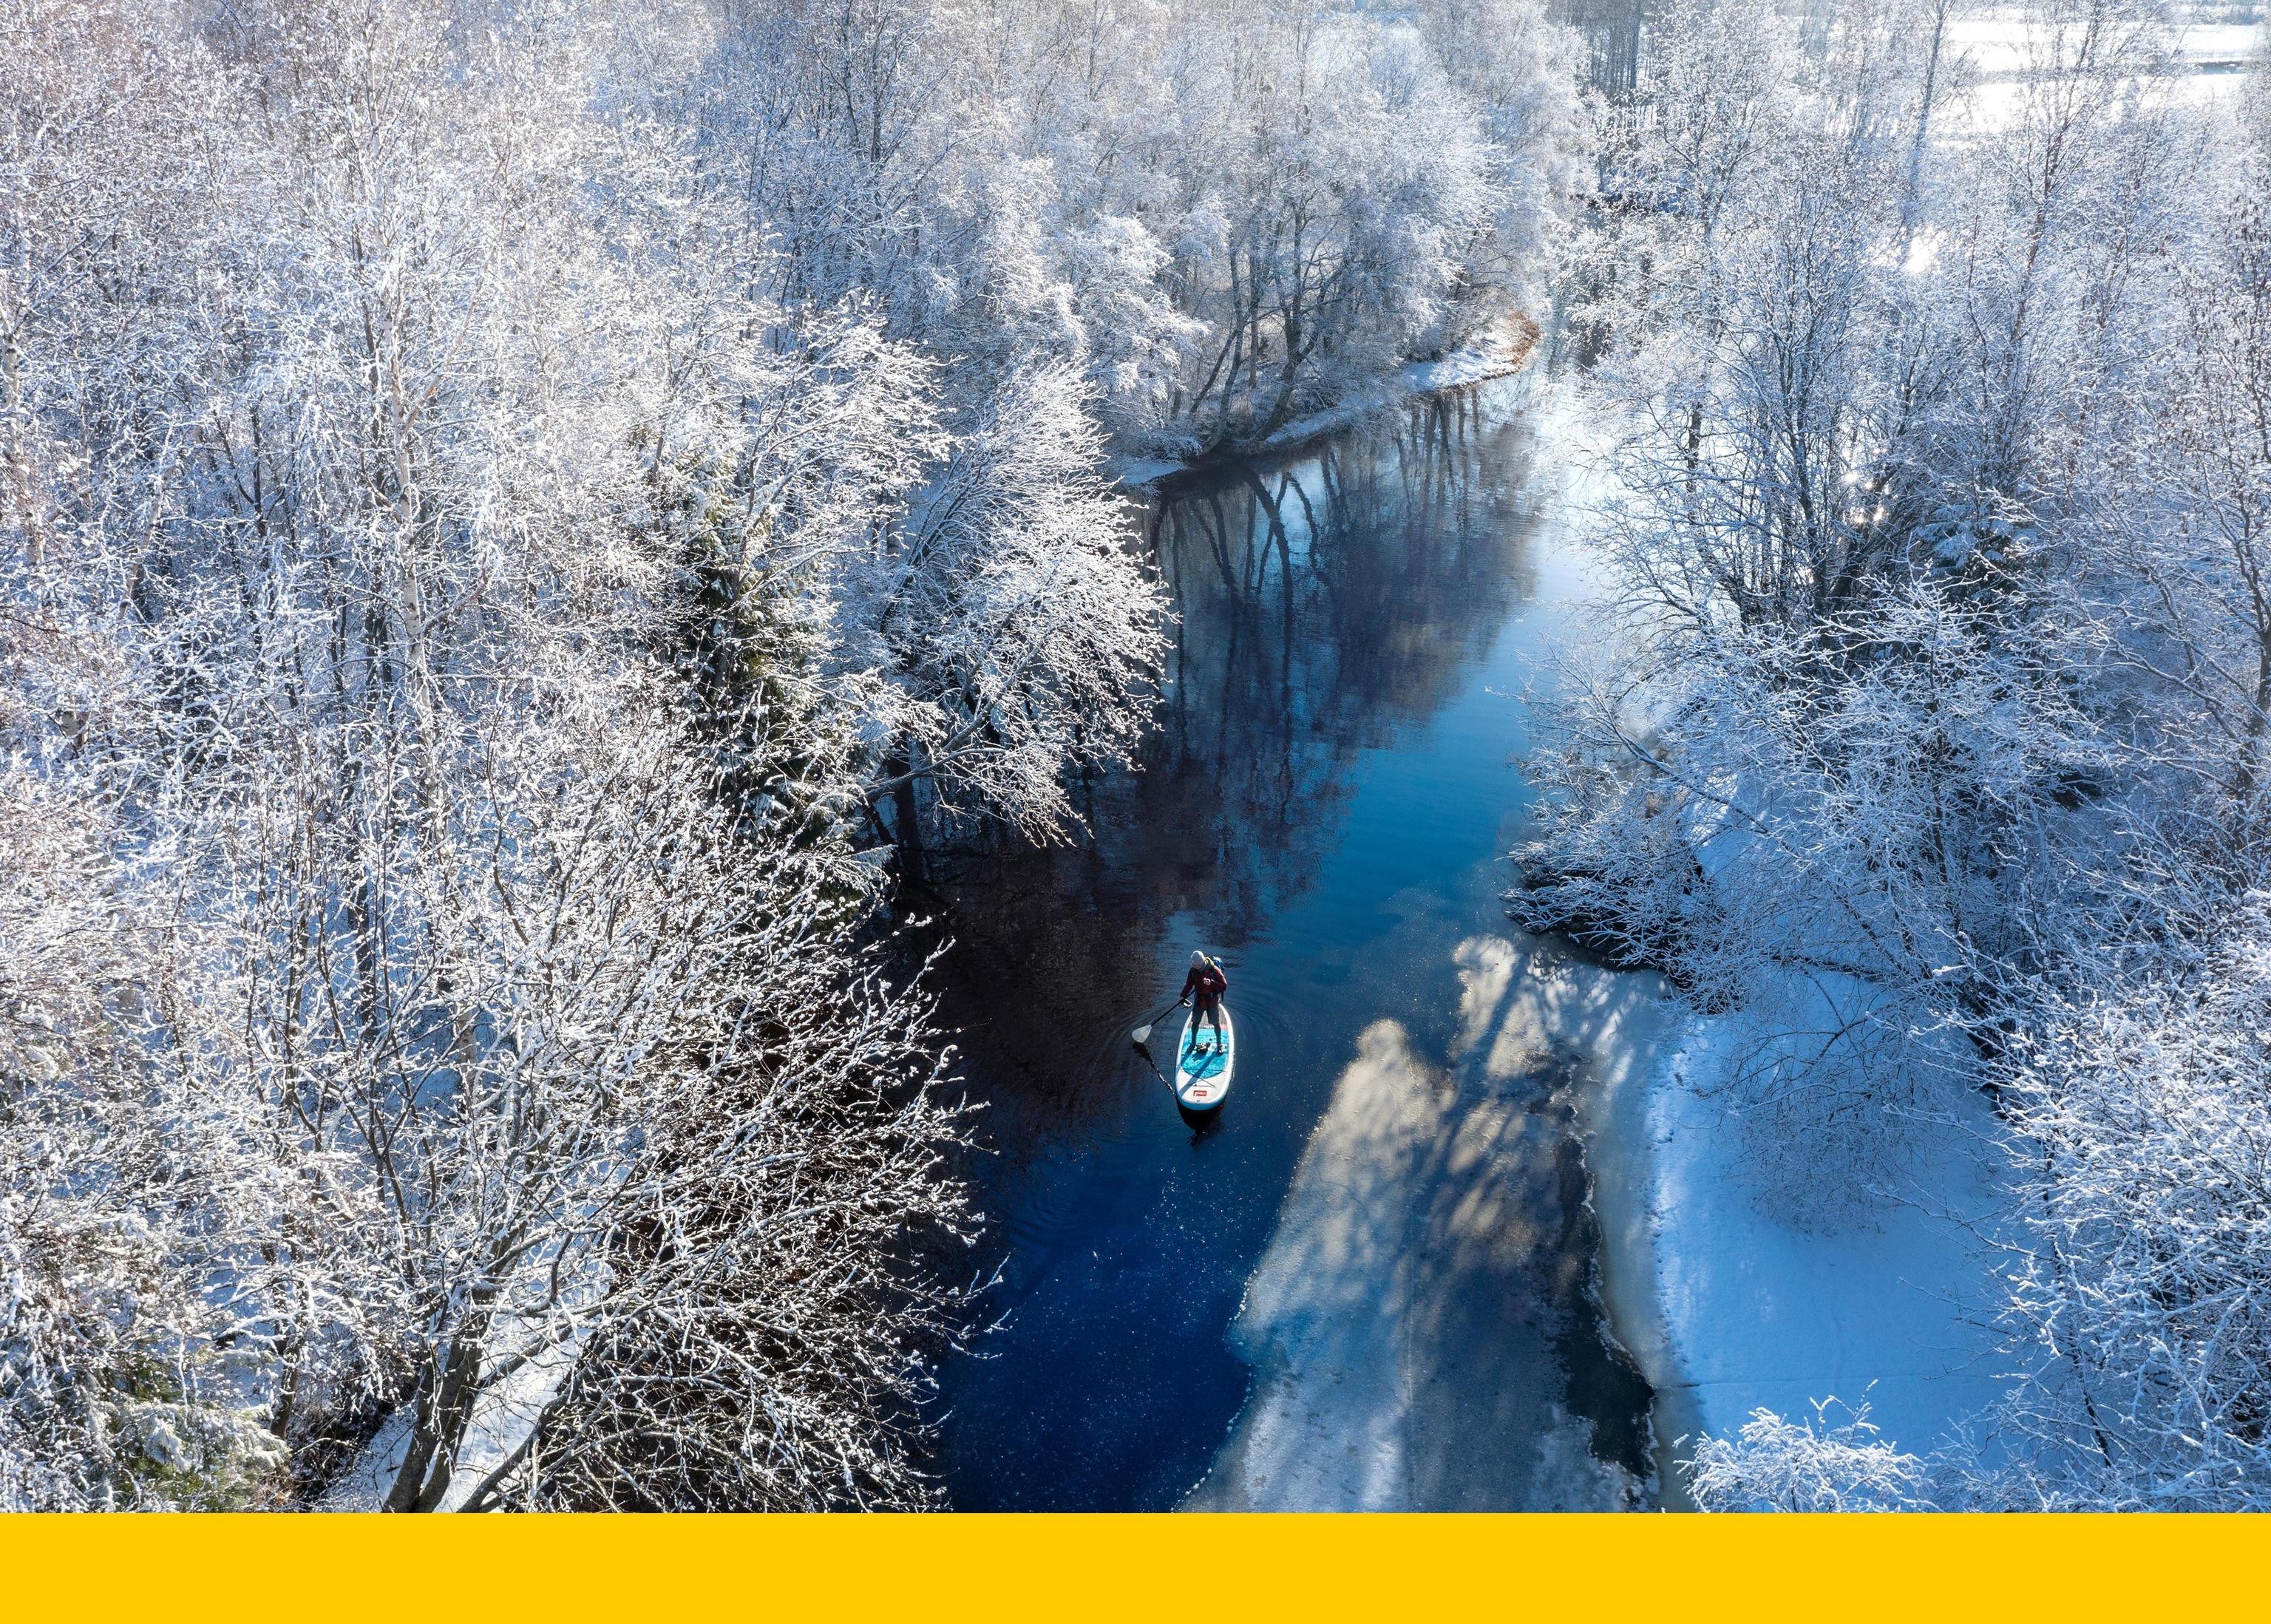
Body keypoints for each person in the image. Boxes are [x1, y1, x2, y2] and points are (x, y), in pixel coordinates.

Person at [1179, 950, 1228, 1047]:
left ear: (1201, 963)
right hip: (1199, 1000)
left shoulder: (1214, 970)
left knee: (1215, 1023)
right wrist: (1182, 995)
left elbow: (1224, 986)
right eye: (1193, 964)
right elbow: (1189, 984)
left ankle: (1219, 1044)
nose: (1194, 966)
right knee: (1195, 1022)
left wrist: (1212, 983)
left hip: (1212, 1001)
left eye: (1196, 965)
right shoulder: (1193, 971)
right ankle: (1193, 1043)